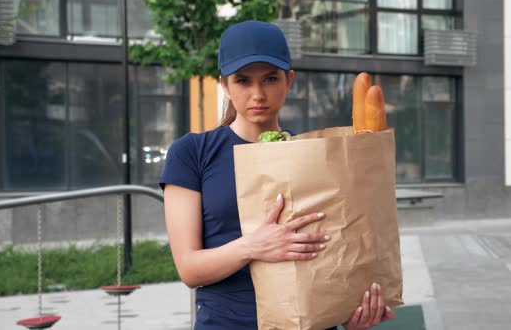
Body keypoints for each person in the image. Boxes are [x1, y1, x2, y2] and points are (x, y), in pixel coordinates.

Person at [160, 20, 395, 330]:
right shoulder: (192, 152)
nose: (258, 93)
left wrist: (351, 314)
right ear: (224, 85)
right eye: (243, 81)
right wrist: (254, 246)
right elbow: (189, 268)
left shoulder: (317, 153)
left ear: (289, 81)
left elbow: (336, 250)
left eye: (270, 78)